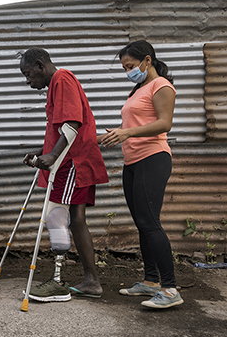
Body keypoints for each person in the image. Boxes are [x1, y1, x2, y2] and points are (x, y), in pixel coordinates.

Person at [98, 40, 183, 309]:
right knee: (142, 223)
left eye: (131, 66)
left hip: (153, 158)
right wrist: (107, 136)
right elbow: (132, 124)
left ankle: (170, 289)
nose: (128, 71)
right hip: (132, 160)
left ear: (147, 61)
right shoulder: (138, 89)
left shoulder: (162, 86)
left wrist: (127, 132)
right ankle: (151, 281)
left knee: (150, 222)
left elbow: (164, 123)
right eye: (125, 67)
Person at [20, 48, 108, 302]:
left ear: (39, 66)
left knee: (56, 216)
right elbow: (62, 130)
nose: (28, 81)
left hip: (72, 163)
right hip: (76, 159)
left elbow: (72, 124)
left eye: (28, 75)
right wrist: (42, 152)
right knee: (77, 219)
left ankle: (58, 283)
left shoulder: (62, 79)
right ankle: (92, 281)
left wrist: (52, 156)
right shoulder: (57, 85)